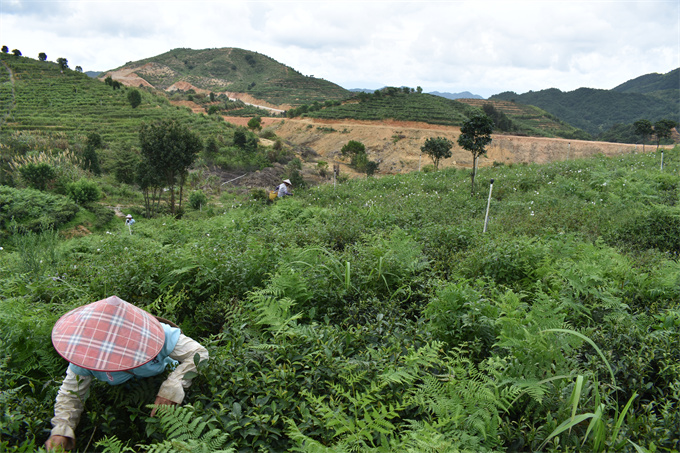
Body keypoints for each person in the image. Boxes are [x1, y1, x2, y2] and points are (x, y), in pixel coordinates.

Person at [45, 296, 209, 451]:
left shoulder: (160, 334)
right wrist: (61, 430)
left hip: (161, 380)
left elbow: (199, 354)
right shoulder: (85, 354)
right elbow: (71, 394)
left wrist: (171, 387)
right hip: (126, 399)